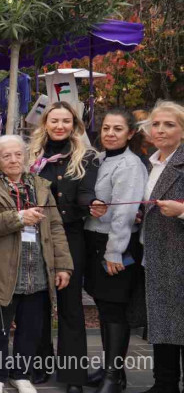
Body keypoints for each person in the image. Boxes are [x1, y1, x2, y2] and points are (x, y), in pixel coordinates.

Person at [0, 135, 73, 393]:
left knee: (30, 326)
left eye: (18, 154)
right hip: (1, 267)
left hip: (37, 265)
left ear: (27, 158)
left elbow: (55, 227)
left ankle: (21, 374)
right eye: (6, 156)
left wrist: (63, 266)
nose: (13, 160)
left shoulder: (41, 186)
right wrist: (18, 217)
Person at [29, 102, 102, 393]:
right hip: (35, 234)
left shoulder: (87, 157)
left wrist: (93, 205)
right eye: (55, 120)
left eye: (66, 121)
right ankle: (38, 364)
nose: (60, 126)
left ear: (75, 124)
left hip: (71, 237)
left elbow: (86, 193)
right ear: (45, 122)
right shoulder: (32, 156)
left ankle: (73, 376)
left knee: (71, 307)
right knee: (38, 303)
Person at [82, 109, 148, 393]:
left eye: (117, 129)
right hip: (94, 241)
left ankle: (114, 376)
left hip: (115, 244)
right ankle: (110, 368)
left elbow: (124, 212)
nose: (109, 133)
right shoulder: (100, 159)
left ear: (130, 133)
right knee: (105, 307)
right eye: (106, 128)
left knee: (114, 311)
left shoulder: (130, 165)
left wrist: (114, 252)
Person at [139, 101, 184, 393]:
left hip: (178, 254)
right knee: (164, 322)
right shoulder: (151, 163)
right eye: (156, 124)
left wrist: (181, 210)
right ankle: (164, 383)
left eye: (169, 124)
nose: (161, 130)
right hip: (157, 255)